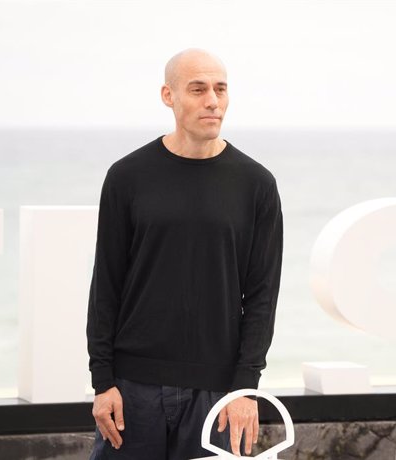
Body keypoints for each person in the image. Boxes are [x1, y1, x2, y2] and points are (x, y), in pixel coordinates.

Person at [86, 48, 283, 459]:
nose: (212, 100)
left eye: (220, 89)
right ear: (168, 95)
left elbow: (262, 297)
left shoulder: (257, 184)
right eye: (198, 89)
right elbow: (107, 283)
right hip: (132, 389)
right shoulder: (127, 177)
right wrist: (102, 381)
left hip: (217, 392)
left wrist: (245, 388)